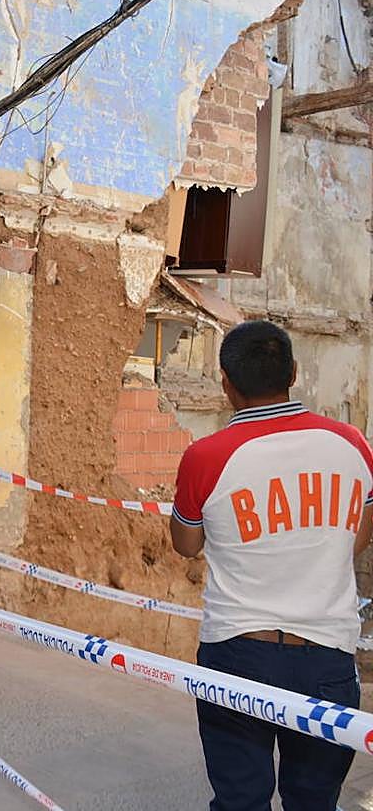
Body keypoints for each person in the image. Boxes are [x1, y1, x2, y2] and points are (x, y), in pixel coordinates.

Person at [170, 320, 373, 811]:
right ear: (294, 372)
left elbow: (186, 544)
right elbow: (357, 539)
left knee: (241, 799)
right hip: (327, 656)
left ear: (225, 382)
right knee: (314, 801)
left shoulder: (206, 456)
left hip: (238, 652)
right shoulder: (352, 444)